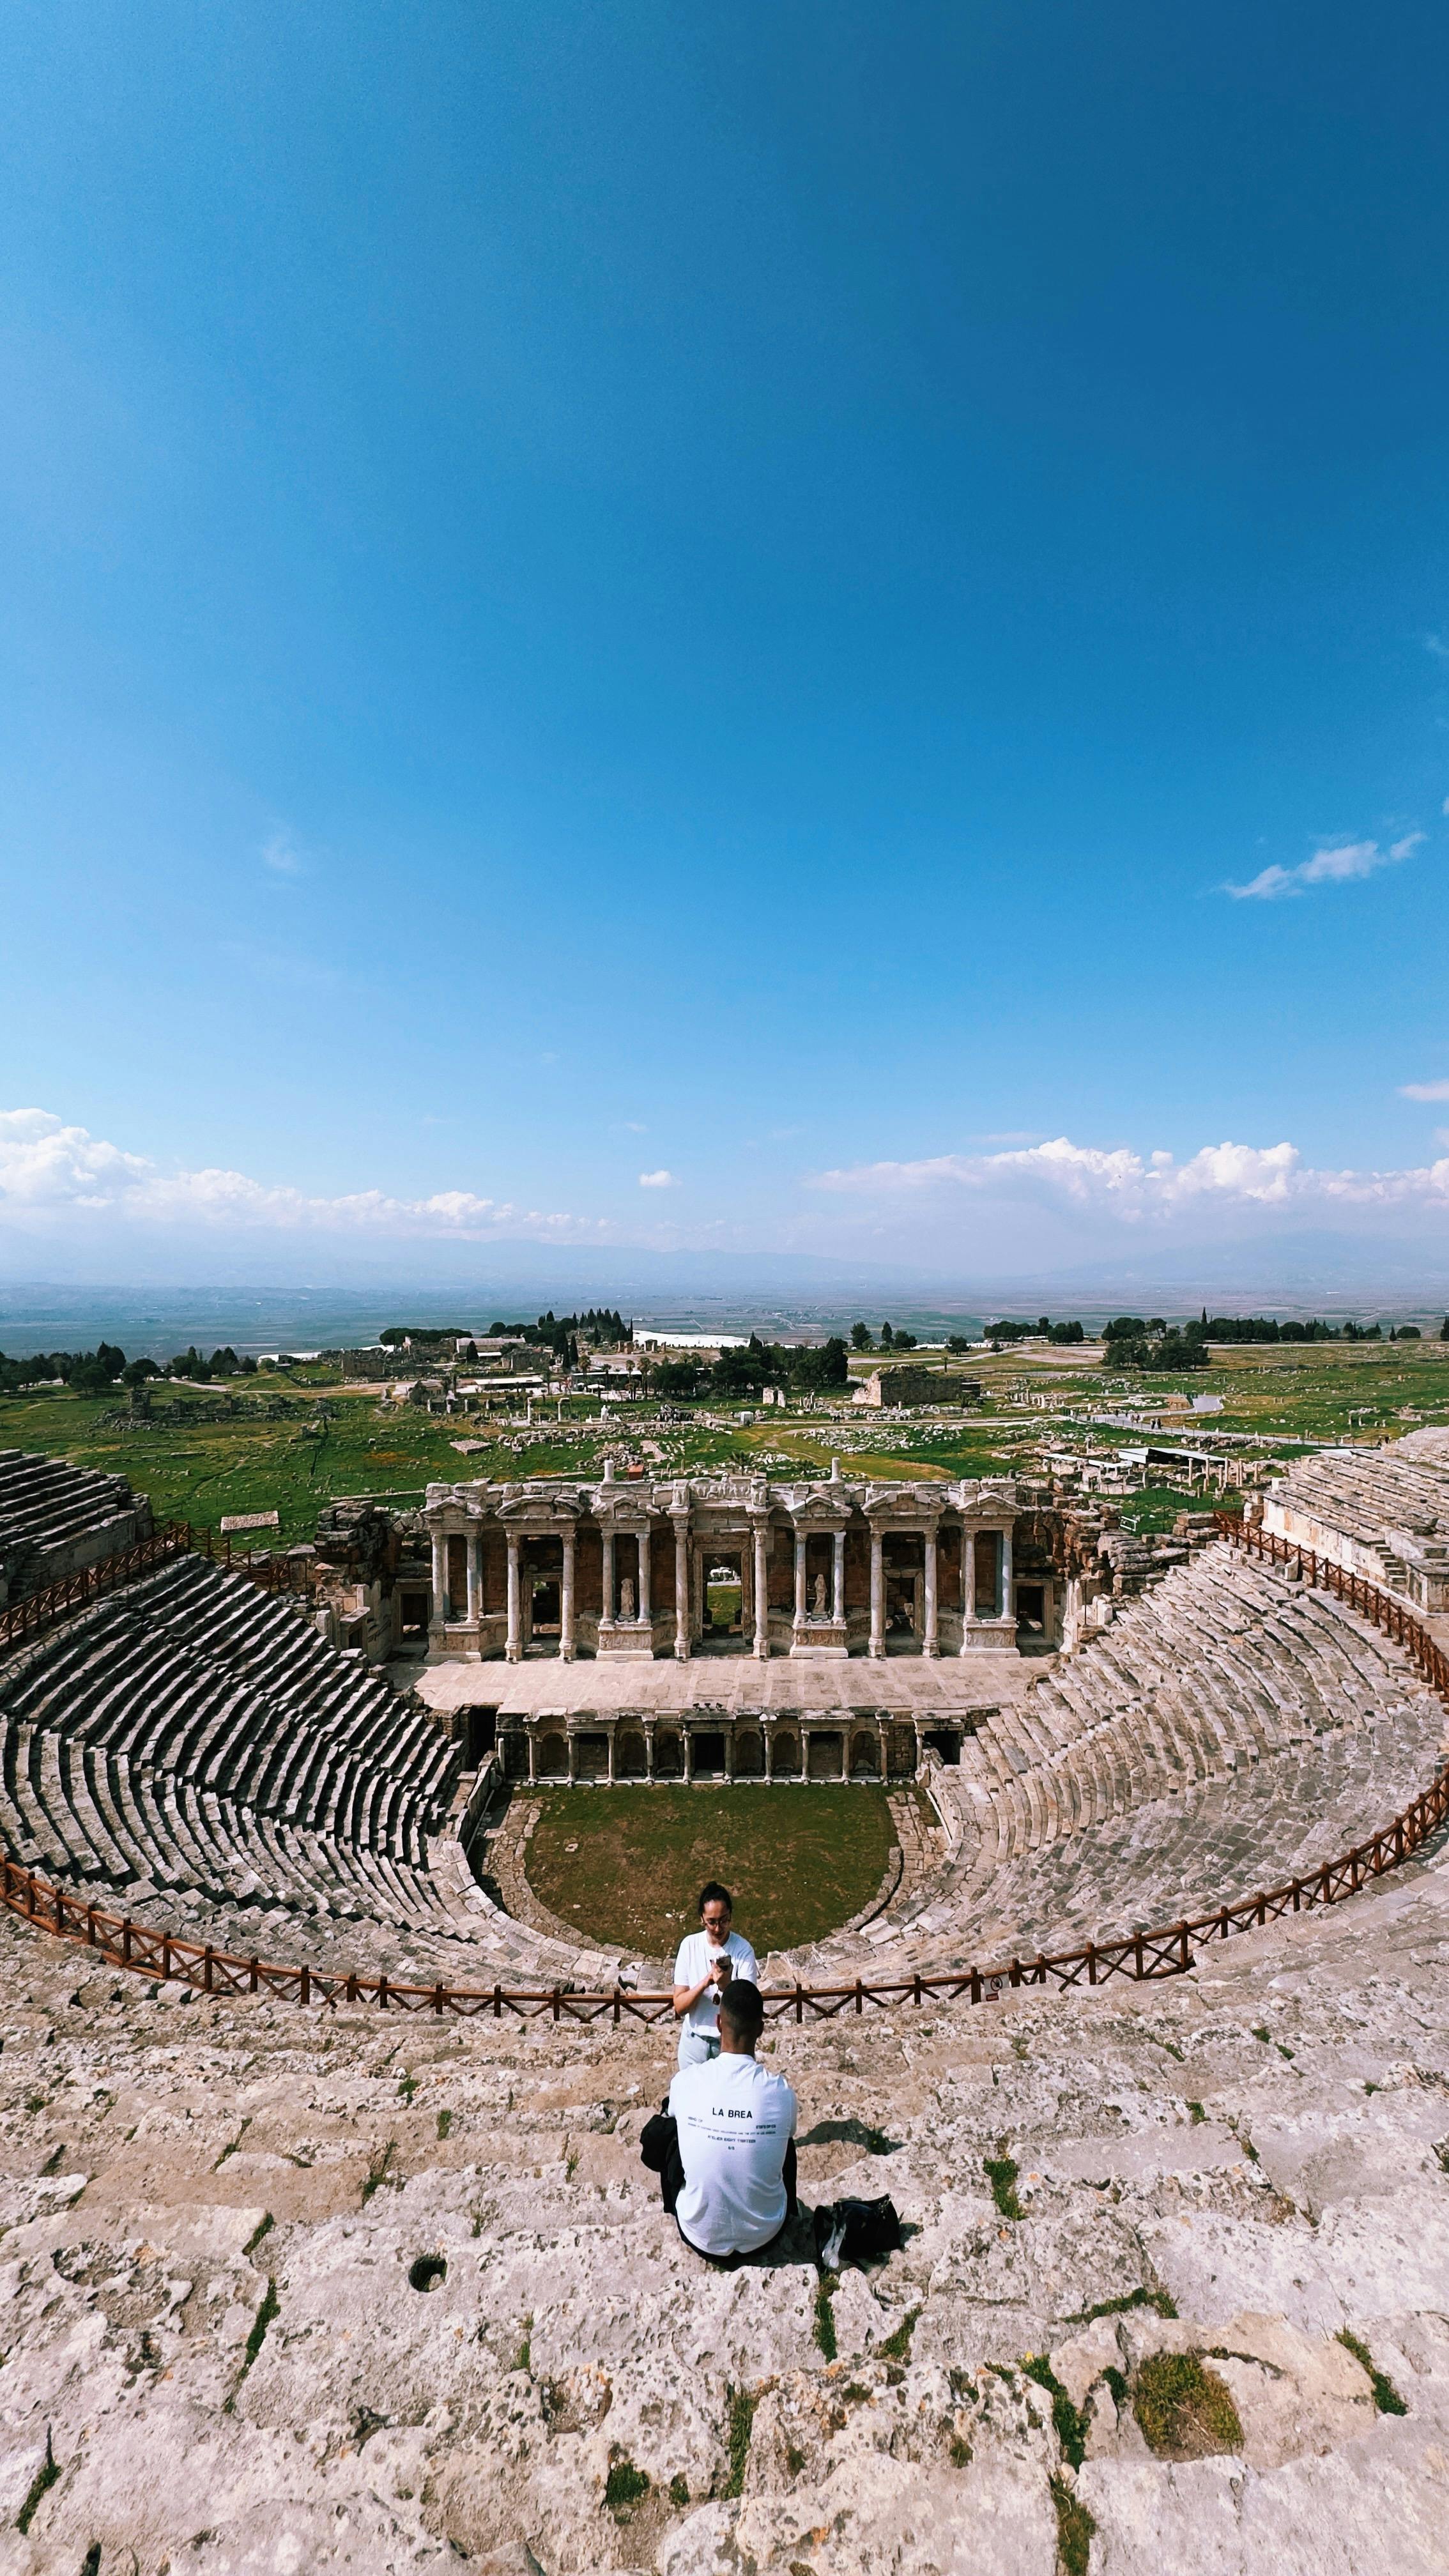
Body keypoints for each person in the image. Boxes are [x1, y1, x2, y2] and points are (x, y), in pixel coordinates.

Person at [661, 1976, 797, 2263]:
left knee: (675, 2130)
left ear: (719, 2023)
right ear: (761, 2029)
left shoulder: (687, 2082)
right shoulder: (781, 2093)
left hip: (700, 2234)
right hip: (766, 2234)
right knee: (785, 2141)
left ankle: (684, 2205)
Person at [672, 1880, 758, 2069]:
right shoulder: (689, 1946)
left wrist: (727, 1986)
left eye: (724, 1920)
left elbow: (748, 2009)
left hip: (730, 2046)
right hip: (694, 2041)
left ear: (731, 1916)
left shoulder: (743, 1950)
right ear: (702, 1919)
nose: (718, 1928)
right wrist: (705, 1982)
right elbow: (680, 2007)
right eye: (711, 1922)